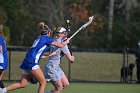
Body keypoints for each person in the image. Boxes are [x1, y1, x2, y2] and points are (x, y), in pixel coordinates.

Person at [0, 22, 70, 93]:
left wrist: (47, 55)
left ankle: (3, 90)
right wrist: (66, 41)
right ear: (48, 33)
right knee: (43, 83)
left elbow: (35, 53)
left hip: (26, 62)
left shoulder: (39, 38)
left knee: (23, 84)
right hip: (32, 63)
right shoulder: (46, 39)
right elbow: (61, 45)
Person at [44, 27, 74, 93]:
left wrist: (66, 41)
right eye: (64, 33)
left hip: (55, 66)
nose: (65, 34)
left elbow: (62, 42)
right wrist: (72, 58)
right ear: (60, 34)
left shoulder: (54, 39)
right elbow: (70, 58)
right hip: (52, 68)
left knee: (65, 84)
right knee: (59, 88)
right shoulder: (63, 44)